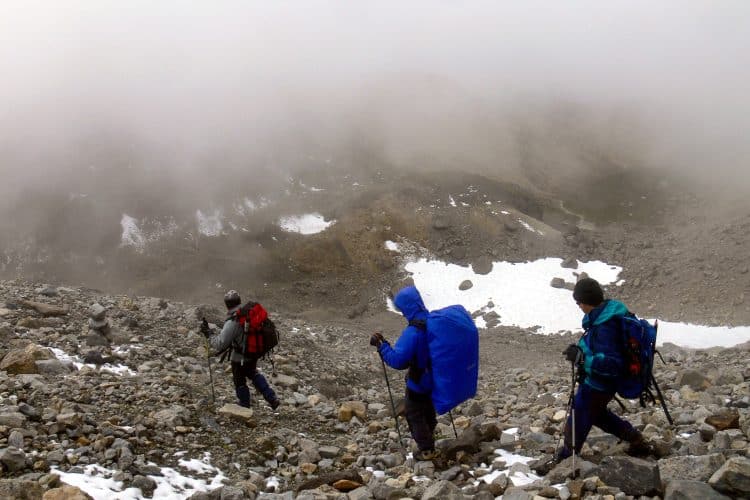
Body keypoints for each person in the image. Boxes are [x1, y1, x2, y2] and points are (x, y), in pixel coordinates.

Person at [558, 277, 650, 460]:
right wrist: (581, 352)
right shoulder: (604, 316)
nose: (579, 306)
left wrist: (582, 358)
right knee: (597, 414)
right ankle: (635, 439)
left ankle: (566, 458)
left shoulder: (606, 325)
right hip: (599, 382)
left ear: (586, 302)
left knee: (580, 413)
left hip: (599, 384)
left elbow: (612, 364)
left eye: (579, 302)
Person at [370, 285, 437, 461]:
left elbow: (399, 361)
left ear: (406, 308)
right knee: (428, 407)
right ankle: (431, 436)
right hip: (436, 377)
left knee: (414, 413)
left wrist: (382, 346)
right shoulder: (434, 322)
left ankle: (426, 450)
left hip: (419, 380)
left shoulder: (413, 332)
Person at [201, 290, 280, 410]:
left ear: (227, 304)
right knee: (253, 374)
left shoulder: (233, 321)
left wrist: (208, 334)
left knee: (239, 381)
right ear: (239, 301)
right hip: (253, 352)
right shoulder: (247, 314)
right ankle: (272, 398)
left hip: (239, 357)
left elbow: (220, 344)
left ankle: (244, 405)